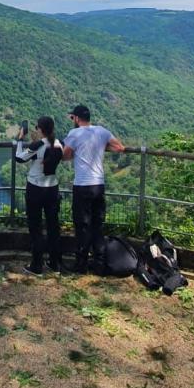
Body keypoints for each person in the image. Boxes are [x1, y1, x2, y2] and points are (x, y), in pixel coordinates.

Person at [62, 105, 125, 274]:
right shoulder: (102, 131)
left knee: (82, 226)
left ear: (76, 118)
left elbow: (65, 156)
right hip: (99, 185)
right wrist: (100, 147)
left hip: (82, 185)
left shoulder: (74, 134)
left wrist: (78, 150)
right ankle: (100, 265)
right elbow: (120, 147)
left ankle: (81, 265)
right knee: (97, 225)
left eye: (72, 118)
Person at [14, 116, 63, 274]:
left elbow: (19, 158)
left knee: (35, 227)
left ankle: (36, 265)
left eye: (37, 127)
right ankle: (54, 263)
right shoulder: (59, 143)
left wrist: (20, 140)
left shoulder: (38, 145)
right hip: (52, 188)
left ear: (40, 129)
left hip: (36, 188)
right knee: (53, 226)